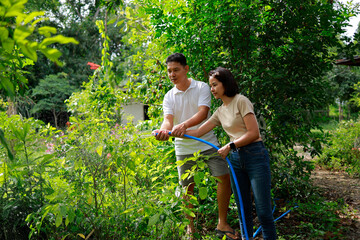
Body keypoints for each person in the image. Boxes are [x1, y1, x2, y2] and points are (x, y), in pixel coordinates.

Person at [172, 67, 277, 240]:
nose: (212, 89)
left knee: (263, 212)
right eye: (210, 86)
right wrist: (177, 130)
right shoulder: (220, 111)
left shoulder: (241, 101)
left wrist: (230, 145)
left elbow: (253, 133)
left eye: (215, 85)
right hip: (236, 160)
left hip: (255, 156)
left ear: (225, 83)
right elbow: (198, 132)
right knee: (243, 211)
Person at [153, 53, 239, 240]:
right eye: (169, 71)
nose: (172, 74)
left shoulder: (201, 87)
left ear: (186, 69)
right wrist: (163, 132)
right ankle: (190, 228)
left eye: (176, 70)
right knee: (187, 188)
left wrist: (184, 125)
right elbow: (167, 121)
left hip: (207, 142)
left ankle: (222, 223)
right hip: (183, 148)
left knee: (223, 179)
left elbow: (203, 113)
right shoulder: (169, 96)